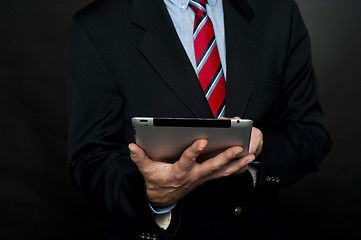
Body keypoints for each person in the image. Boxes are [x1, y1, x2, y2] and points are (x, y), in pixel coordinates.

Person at [66, 0, 331, 239]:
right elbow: (91, 157)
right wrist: (153, 196)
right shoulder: (97, 27)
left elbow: (310, 133)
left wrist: (260, 149)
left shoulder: (277, 11)